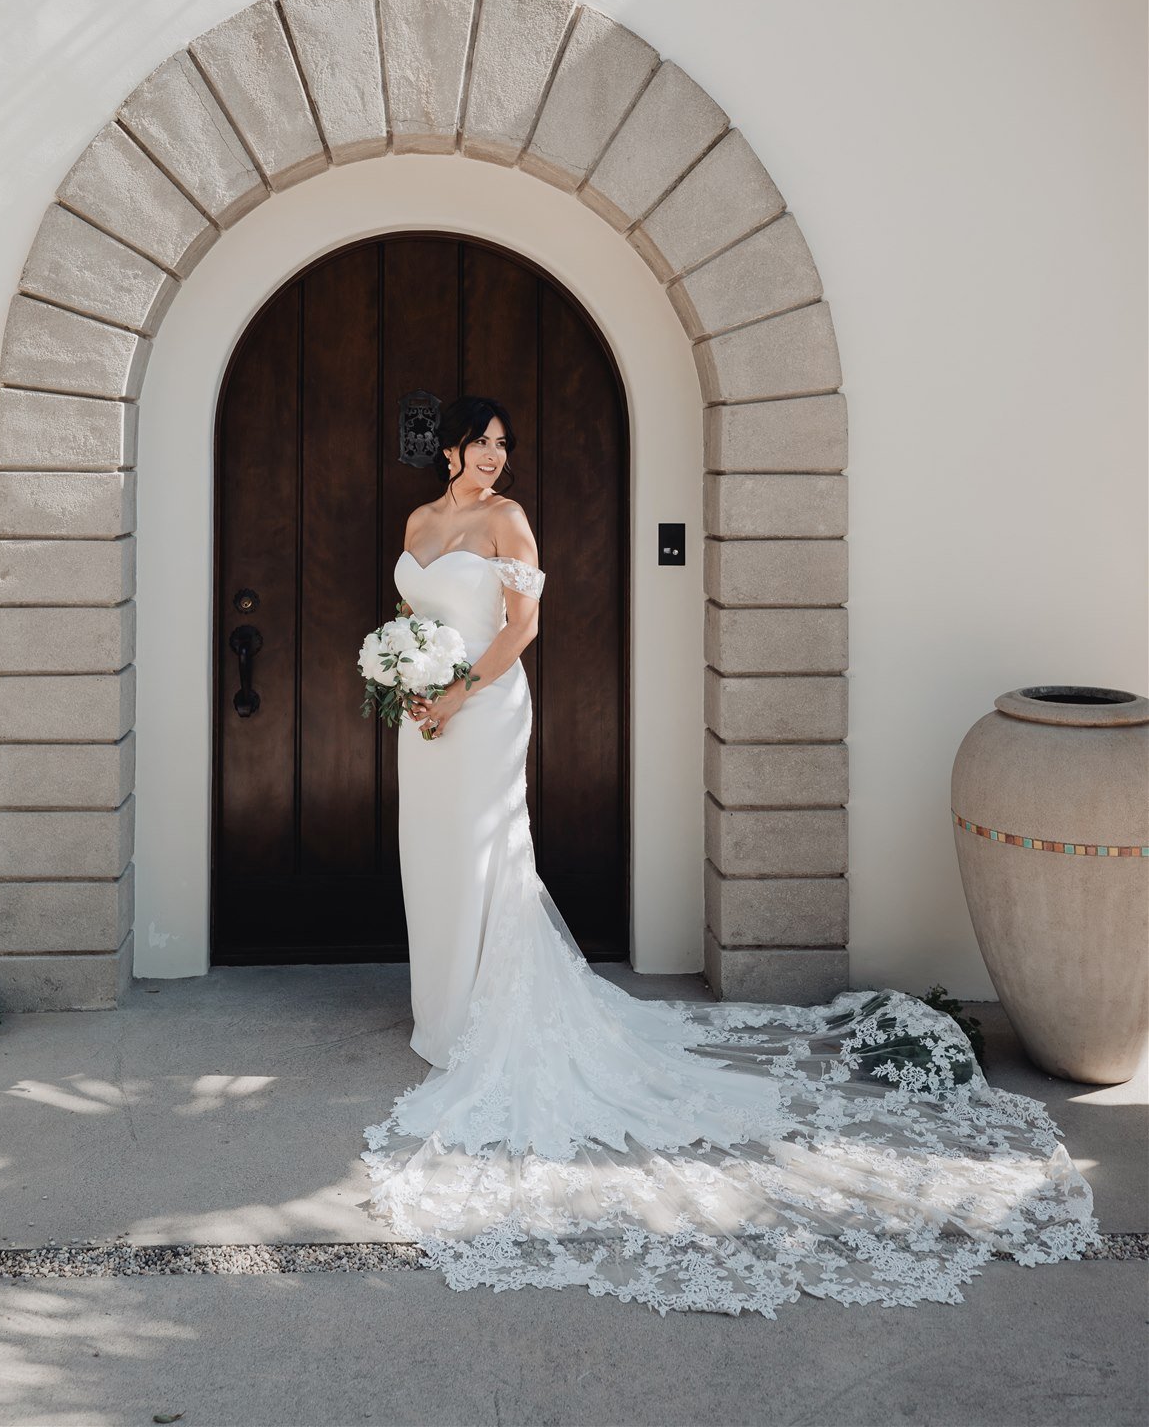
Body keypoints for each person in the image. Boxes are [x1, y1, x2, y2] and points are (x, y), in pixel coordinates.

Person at [359, 395, 1098, 1316]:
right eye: (484, 442)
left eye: (507, 444)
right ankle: (441, 1004)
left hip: (482, 708)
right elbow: (407, 608)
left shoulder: (509, 520)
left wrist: (456, 694)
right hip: (422, 716)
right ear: (451, 447)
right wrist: (404, 677)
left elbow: (521, 629)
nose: (496, 458)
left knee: (482, 855)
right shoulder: (422, 520)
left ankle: (481, 1014)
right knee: (427, 853)